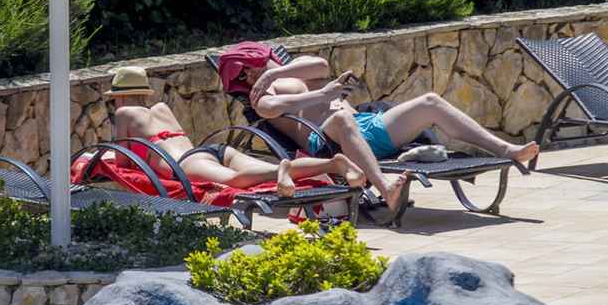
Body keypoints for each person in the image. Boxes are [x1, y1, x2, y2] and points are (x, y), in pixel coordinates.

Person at [216, 45, 538, 215]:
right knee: (341, 119)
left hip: (367, 127)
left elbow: (321, 66)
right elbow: (272, 108)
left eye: (253, 67)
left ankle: (507, 150)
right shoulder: (261, 98)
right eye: (245, 73)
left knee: (430, 101)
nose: (251, 74)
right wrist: (324, 94)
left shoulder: (288, 73)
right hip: (328, 142)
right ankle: (386, 189)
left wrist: (274, 73)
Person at [102, 65, 363, 197]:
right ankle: (332, 163)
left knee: (236, 181)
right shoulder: (161, 108)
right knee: (262, 168)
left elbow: (123, 163)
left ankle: (284, 170)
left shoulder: (125, 113)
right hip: (209, 151)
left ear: (120, 98)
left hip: (186, 164)